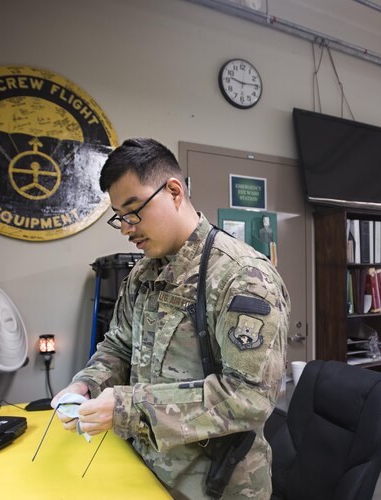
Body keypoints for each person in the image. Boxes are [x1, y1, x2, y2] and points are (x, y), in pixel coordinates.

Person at [52, 138, 290, 499]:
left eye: (134, 212)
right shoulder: (143, 273)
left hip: (217, 485)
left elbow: (247, 398)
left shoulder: (241, 276)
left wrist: (126, 408)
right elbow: (119, 344)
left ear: (174, 191)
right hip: (149, 472)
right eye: (119, 217)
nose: (126, 228)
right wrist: (87, 384)